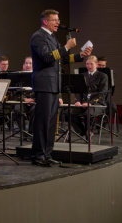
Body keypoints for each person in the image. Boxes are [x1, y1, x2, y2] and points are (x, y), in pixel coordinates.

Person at [30, 9, 93, 167]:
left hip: (53, 84)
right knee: (43, 121)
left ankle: (47, 154)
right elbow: (47, 57)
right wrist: (66, 46)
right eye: (55, 20)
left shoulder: (51, 37)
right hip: (44, 84)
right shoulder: (38, 36)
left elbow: (62, 59)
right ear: (45, 21)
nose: (58, 23)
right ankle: (38, 155)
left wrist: (81, 55)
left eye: (58, 19)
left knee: (51, 122)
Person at [68, 55, 109, 136]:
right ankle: (81, 130)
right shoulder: (82, 75)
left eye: (91, 64)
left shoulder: (102, 76)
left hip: (97, 104)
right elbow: (78, 91)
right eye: (87, 64)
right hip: (83, 103)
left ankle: (89, 132)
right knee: (68, 112)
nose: (89, 66)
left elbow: (102, 93)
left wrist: (90, 103)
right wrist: (78, 101)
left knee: (88, 113)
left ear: (96, 64)